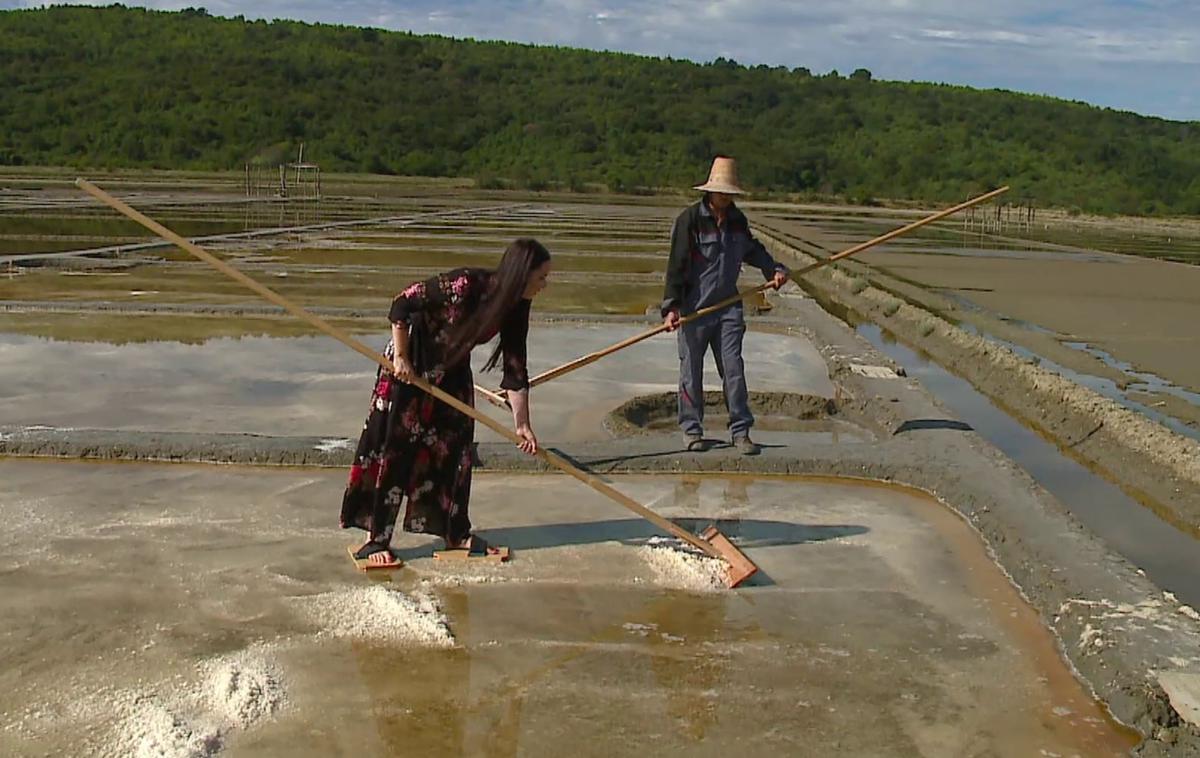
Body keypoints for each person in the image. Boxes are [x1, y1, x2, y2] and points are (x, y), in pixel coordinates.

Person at [340, 238, 552, 566]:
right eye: (541, 278)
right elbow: (401, 304)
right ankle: (376, 539)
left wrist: (522, 425)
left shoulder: (514, 307)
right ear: (522, 274)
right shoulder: (465, 284)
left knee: (457, 450)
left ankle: (456, 531)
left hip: (451, 370)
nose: (544, 286)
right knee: (396, 449)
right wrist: (402, 357)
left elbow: (515, 368)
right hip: (411, 364)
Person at [661, 156, 789, 456]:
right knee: (690, 371)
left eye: (730, 193)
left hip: (728, 307)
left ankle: (740, 431)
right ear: (710, 191)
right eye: (722, 192)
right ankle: (692, 431)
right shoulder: (690, 221)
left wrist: (774, 270)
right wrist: (672, 307)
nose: (726, 197)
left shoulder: (737, 221)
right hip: (695, 309)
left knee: (733, 369)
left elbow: (752, 250)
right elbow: (676, 265)